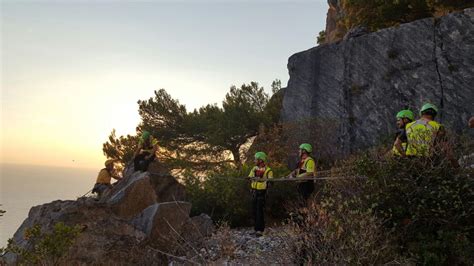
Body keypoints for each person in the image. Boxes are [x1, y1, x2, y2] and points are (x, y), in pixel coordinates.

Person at [248, 152, 273, 237]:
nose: (254, 160)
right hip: (254, 191)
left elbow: (271, 181)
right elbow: (250, 176)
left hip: (262, 192)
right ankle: (256, 229)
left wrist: (262, 180)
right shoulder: (254, 168)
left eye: (256, 159)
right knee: (254, 210)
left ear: (260, 160)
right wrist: (250, 178)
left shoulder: (268, 170)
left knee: (260, 211)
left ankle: (260, 230)